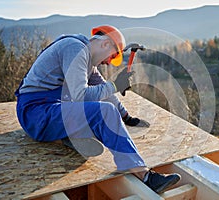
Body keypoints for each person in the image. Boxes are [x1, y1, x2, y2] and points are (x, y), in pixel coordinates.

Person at [15, 25, 180, 193]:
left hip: (51, 111)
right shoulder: (75, 49)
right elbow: (80, 95)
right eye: (113, 55)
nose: (109, 62)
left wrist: (126, 116)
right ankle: (145, 176)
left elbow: (105, 91)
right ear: (105, 44)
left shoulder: (88, 63)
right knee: (103, 113)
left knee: (105, 118)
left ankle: (68, 136)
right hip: (35, 115)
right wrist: (116, 85)